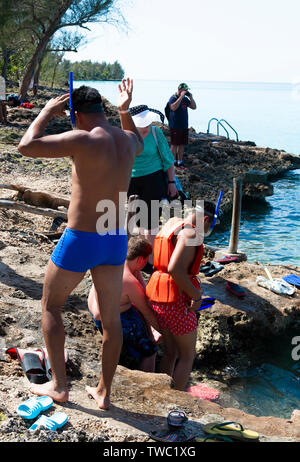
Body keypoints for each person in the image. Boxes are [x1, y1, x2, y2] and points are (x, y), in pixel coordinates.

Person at [17, 78, 144, 410]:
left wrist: (45, 111)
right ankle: (104, 393)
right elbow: (137, 141)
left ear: (76, 113)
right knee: (112, 320)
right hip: (115, 239)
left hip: (82, 238)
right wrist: (124, 109)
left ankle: (59, 386)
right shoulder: (129, 140)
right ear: (102, 109)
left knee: (50, 307)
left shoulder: (82, 138)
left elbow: (26, 146)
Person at [146, 201, 218, 391]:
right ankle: (178, 398)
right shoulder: (191, 233)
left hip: (156, 296)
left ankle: (163, 392)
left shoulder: (171, 224)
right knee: (187, 355)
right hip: (176, 302)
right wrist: (196, 296)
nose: (208, 229)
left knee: (171, 352)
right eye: (210, 225)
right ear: (206, 219)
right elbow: (175, 269)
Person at [88, 236, 161, 372]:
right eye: (146, 261)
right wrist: (164, 334)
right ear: (140, 259)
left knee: (132, 306)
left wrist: (137, 273)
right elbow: (147, 310)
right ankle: (148, 381)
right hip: (111, 317)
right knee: (150, 351)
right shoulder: (129, 281)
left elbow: (143, 291)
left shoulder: (114, 261)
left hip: (95, 311)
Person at [127, 104, 178, 270]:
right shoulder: (126, 134)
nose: (145, 126)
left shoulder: (156, 132)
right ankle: (144, 259)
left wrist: (171, 183)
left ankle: (152, 262)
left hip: (154, 179)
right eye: (142, 123)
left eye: (147, 122)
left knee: (151, 223)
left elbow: (168, 159)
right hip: (131, 181)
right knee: (138, 223)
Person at [168, 83, 197, 169]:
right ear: (180, 89)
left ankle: (179, 162)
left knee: (181, 144)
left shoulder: (185, 99)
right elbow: (173, 108)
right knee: (174, 144)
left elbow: (194, 107)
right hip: (175, 125)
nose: (186, 92)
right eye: (185, 90)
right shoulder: (173, 98)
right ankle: (171, 163)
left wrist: (191, 97)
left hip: (184, 125)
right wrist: (181, 97)